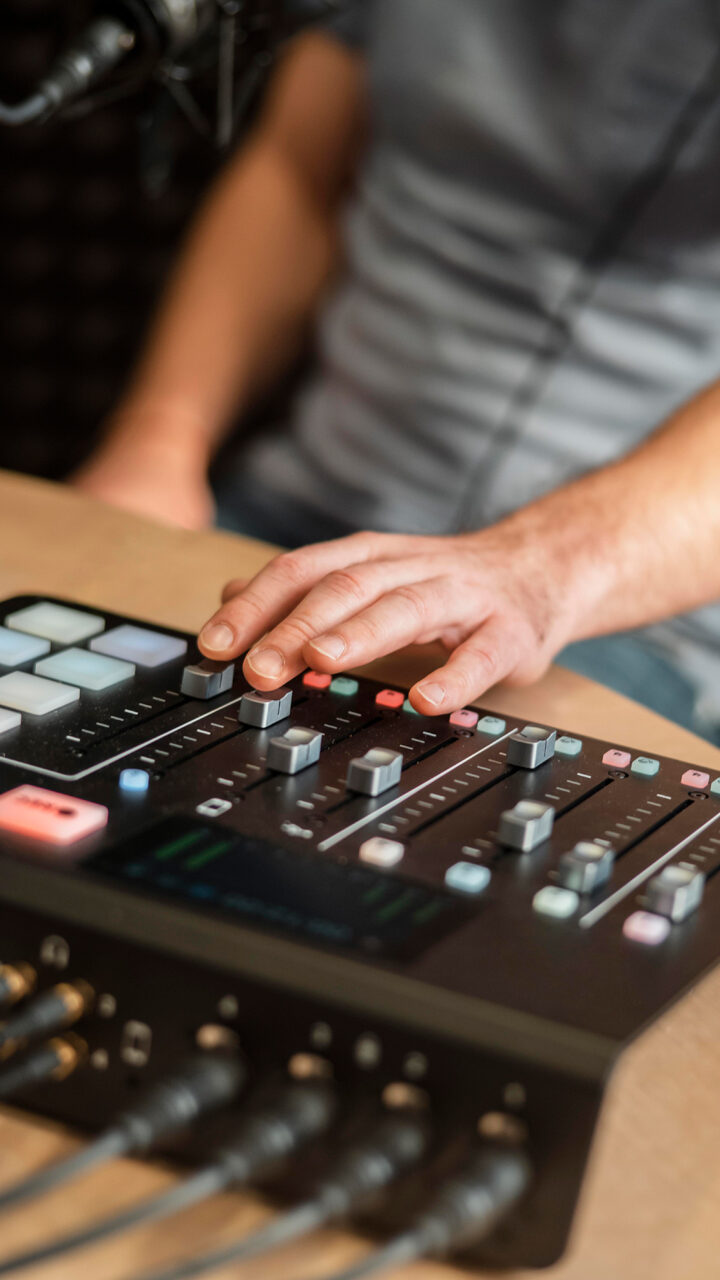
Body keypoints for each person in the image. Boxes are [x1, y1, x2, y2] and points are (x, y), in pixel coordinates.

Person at [74, 1, 720, 739]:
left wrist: (536, 571)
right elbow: (297, 169)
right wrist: (160, 439)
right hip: (292, 518)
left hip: (619, 614)